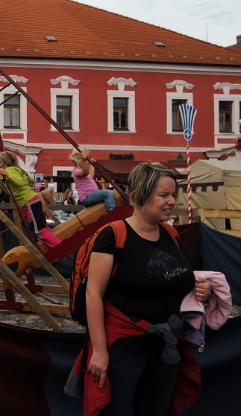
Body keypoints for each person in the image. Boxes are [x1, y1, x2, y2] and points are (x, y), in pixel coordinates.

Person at [82, 161, 211, 416]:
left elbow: (172, 277)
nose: (172, 201)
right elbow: (93, 294)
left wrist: (199, 290)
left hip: (165, 347)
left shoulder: (171, 234)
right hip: (124, 348)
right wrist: (99, 351)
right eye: (163, 195)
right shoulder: (112, 235)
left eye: (173, 194)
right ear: (141, 194)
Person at [0, 151, 61, 248]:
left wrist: (7, 174)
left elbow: (19, 183)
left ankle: (58, 246)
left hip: (29, 202)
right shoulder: (17, 169)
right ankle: (54, 244)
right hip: (33, 200)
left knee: (39, 230)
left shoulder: (10, 170)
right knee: (42, 226)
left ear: (2, 163)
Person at [69, 148, 117, 212]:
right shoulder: (76, 171)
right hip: (86, 197)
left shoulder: (81, 171)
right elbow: (85, 172)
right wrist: (84, 161)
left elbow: (90, 176)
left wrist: (91, 165)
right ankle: (112, 212)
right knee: (107, 193)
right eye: (85, 158)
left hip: (91, 195)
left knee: (112, 193)